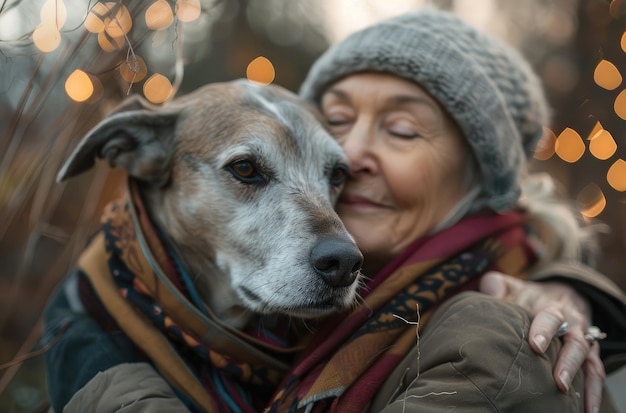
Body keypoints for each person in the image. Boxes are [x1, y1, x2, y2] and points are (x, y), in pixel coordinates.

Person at [43, 7, 626, 413]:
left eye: (401, 129)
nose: (354, 153)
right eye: (338, 123)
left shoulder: (510, 336)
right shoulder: (298, 330)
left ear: (478, 180)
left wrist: (97, 372)